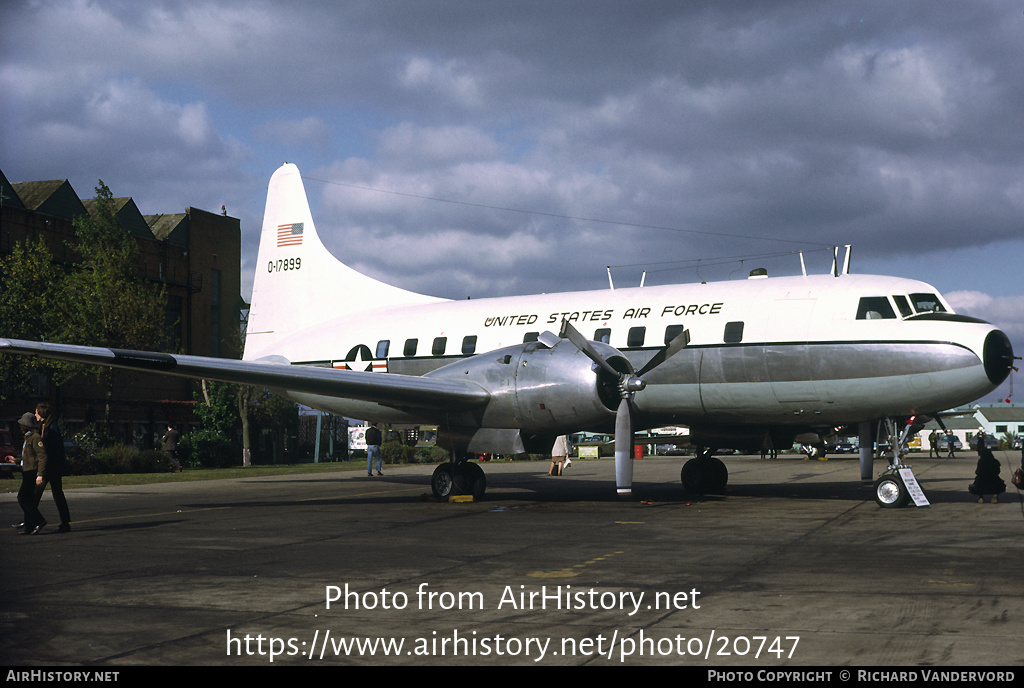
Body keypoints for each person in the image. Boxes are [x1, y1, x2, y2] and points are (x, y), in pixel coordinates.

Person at [34, 402, 71, 533]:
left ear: (41, 413)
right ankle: (65, 522)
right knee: (56, 494)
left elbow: (51, 449)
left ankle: (33, 520)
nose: (35, 414)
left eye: (37, 412)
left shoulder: (51, 427)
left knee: (37, 494)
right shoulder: (45, 426)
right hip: (51, 467)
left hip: (51, 467)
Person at [15, 412, 47, 534]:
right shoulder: (28, 437)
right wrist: (17, 460)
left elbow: (42, 456)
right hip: (26, 471)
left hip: (32, 472)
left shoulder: (35, 437)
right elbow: (28, 456)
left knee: (22, 498)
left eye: (22, 424)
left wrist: (40, 474)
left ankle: (39, 520)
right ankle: (29, 526)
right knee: (27, 499)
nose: (20, 426)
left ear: (26, 425)